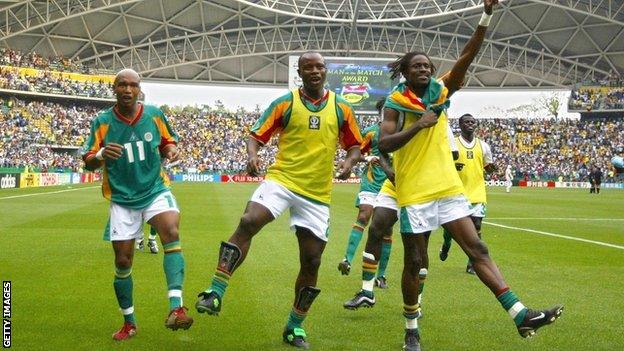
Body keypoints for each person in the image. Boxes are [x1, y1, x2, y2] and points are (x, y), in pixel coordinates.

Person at [377, 1, 563, 350]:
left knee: (477, 247)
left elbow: (466, 56)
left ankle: (520, 315)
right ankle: (411, 327)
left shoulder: (440, 91)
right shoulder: (395, 102)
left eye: (428, 66)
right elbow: (384, 143)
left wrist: (486, 15)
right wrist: (420, 125)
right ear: (405, 71)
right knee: (415, 261)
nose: (425, 69)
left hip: (447, 188)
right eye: (417, 65)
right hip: (415, 192)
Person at [195, 51, 363, 349]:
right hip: (282, 180)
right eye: (308, 67)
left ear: (326, 71)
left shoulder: (342, 108)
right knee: (248, 221)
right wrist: (252, 154)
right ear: (299, 73)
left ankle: (294, 327)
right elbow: (256, 135)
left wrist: (349, 162)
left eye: (319, 66)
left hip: (316, 194)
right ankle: (216, 290)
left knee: (311, 261)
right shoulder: (285, 103)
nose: (314, 71)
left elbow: (354, 146)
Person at [81, 68, 193, 341]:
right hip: (122, 198)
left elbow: (168, 142)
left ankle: (176, 308)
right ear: (114, 89)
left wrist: (171, 150)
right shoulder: (103, 121)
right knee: (122, 261)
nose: (128, 90)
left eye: (133, 85)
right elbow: (87, 159)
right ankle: (129, 322)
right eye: (122, 85)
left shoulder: (154, 114)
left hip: (155, 188)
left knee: (171, 231)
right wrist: (101, 153)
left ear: (139, 89)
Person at [338, 98, 394, 290]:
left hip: (391, 184)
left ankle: (382, 275)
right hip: (371, 182)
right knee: (364, 215)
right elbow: (354, 152)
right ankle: (347, 259)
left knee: (386, 229)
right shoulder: (371, 131)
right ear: (381, 111)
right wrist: (367, 156)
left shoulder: (402, 132)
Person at [439, 113, 496, 275]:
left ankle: (472, 263)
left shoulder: (483, 146)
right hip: (456, 192)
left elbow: (487, 165)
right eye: (466, 122)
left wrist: (492, 168)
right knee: (451, 229)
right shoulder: (453, 144)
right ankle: (446, 243)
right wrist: (453, 167)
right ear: (460, 125)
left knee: (477, 226)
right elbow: (444, 163)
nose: (470, 124)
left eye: (472, 122)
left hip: (477, 192)